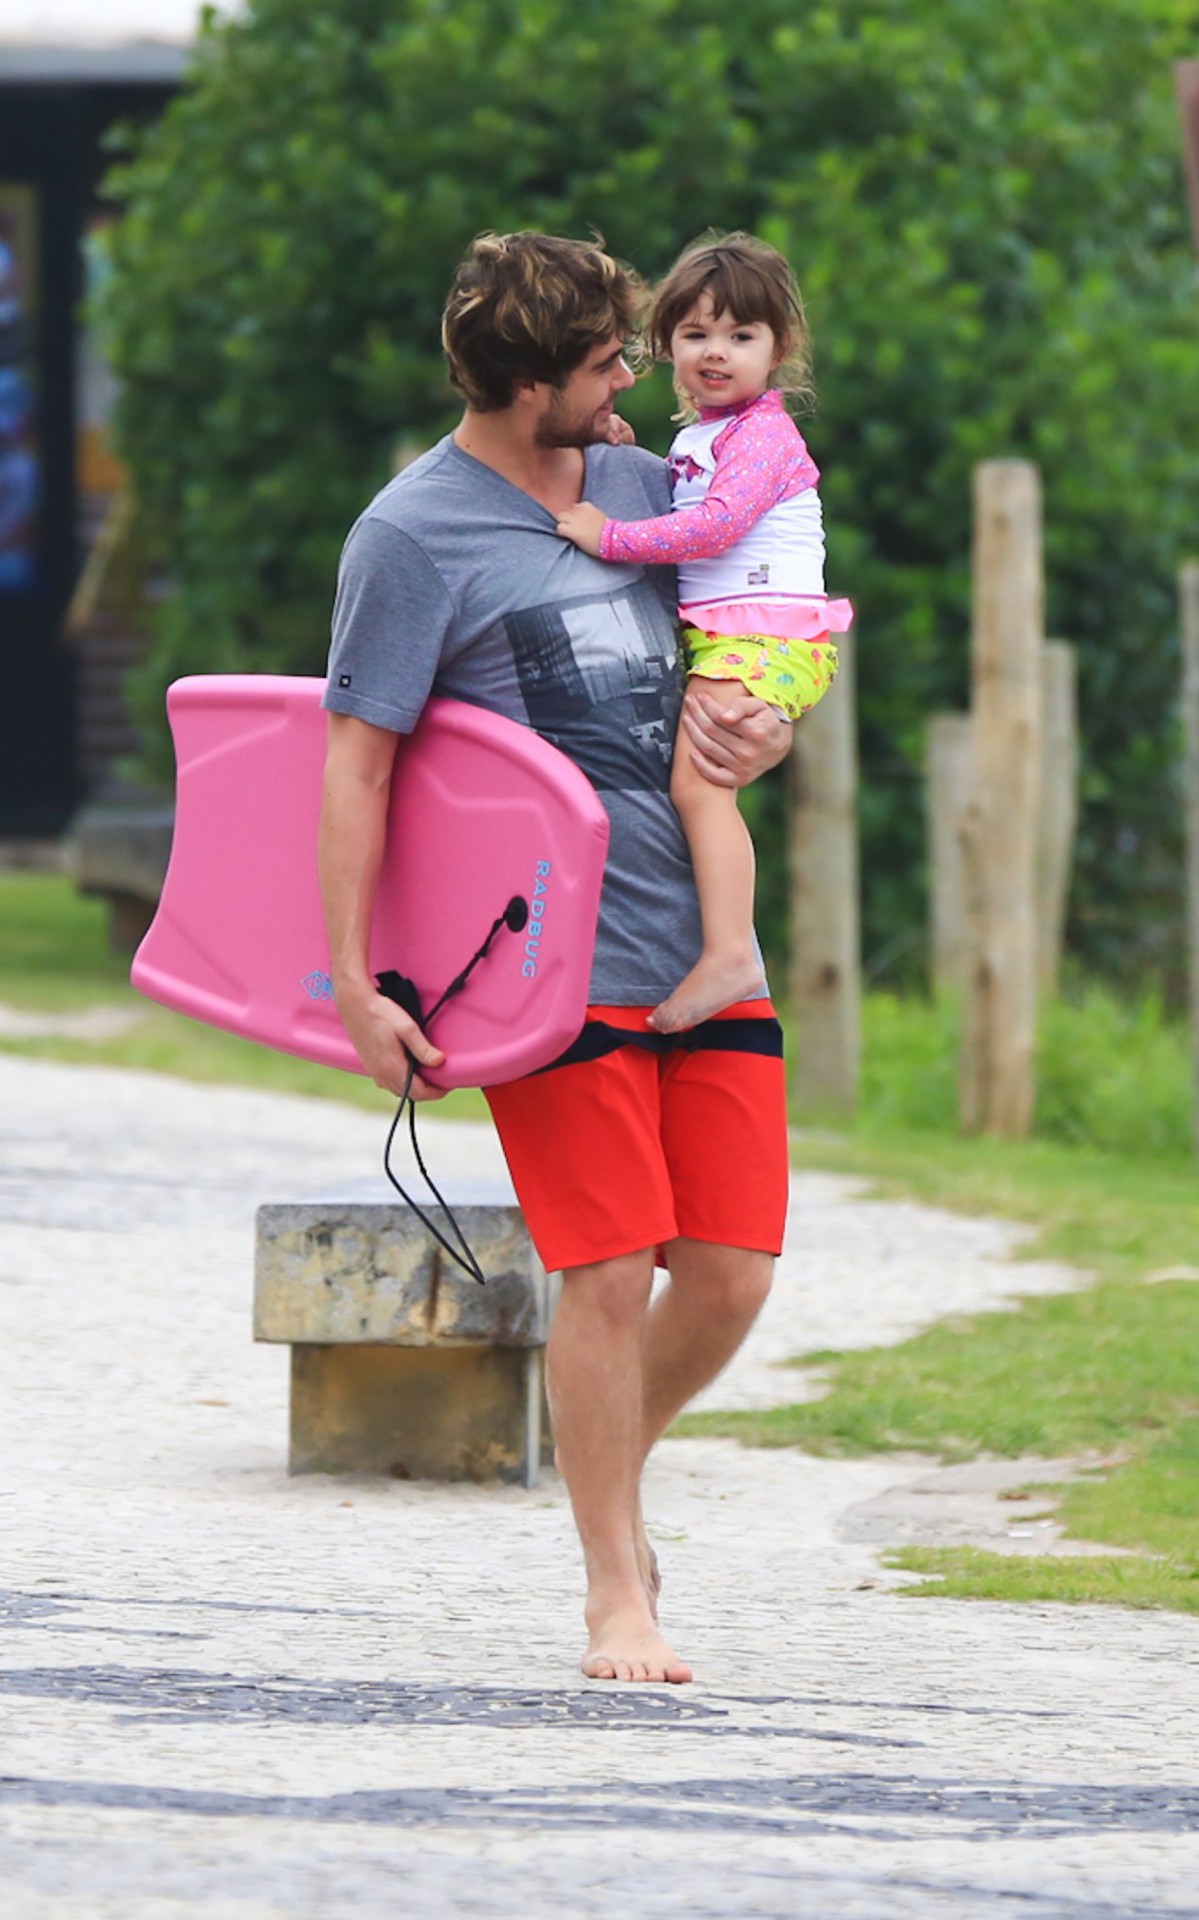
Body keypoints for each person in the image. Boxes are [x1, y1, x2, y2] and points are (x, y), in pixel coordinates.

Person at [319, 231, 793, 1686]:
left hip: (701, 951)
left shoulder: (658, 489)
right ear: (531, 384)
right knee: (602, 1273)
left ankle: (605, 1476)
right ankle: (614, 1592)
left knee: (724, 1274)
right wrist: (355, 980)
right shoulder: (411, 537)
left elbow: (747, 645)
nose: (633, 381)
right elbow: (357, 767)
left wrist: (770, 727)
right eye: (605, 363)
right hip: (544, 967)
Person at [556, 233, 852, 1034]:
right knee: (695, 779)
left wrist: (605, 535)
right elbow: (689, 494)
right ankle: (720, 944)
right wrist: (626, 450)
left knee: (698, 784)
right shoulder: (704, 437)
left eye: (739, 336)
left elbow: (714, 528)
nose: (715, 353)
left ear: (778, 348)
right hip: (736, 634)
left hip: (764, 633)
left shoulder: (761, 435)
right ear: (666, 347)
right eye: (695, 335)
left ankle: (729, 954)